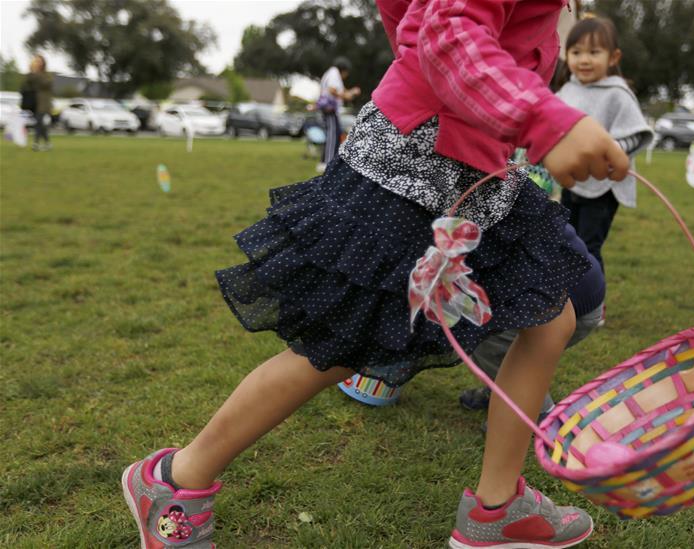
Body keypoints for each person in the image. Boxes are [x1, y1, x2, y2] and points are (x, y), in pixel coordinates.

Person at [121, 2, 631, 548]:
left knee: (550, 317)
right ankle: (175, 480)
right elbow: (445, 32)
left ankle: (496, 508)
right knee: (339, 348)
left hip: (480, 172)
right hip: (411, 169)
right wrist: (547, 122)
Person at [555, 16, 653, 324]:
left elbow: (638, 134)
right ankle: (568, 296)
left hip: (604, 187)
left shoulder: (617, 93)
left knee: (589, 244)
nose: (584, 60)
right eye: (576, 52)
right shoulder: (566, 92)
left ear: (613, 58)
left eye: (594, 52)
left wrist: (608, 152)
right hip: (572, 183)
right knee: (567, 239)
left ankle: (593, 304)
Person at [458, 223, 606, 428]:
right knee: (481, 322)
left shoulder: (491, 216)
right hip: (575, 293)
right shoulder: (502, 200)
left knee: (484, 334)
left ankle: (536, 412)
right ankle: (502, 387)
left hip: (572, 303)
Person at [316, 57, 360, 173]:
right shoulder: (334, 73)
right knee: (332, 136)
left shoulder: (331, 74)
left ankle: (328, 161)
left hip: (330, 109)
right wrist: (345, 96)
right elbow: (332, 90)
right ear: (343, 70)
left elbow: (342, 90)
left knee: (335, 134)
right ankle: (327, 162)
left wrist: (350, 93)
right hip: (330, 109)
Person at [20, 55, 53, 152]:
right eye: (36, 61)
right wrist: (31, 71)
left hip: (43, 103)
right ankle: (47, 143)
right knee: (40, 124)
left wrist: (36, 73)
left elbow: (45, 84)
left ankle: (36, 143)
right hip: (34, 103)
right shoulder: (31, 75)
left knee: (39, 123)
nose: (37, 63)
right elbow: (26, 83)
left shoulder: (47, 75)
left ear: (43, 63)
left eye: (39, 61)